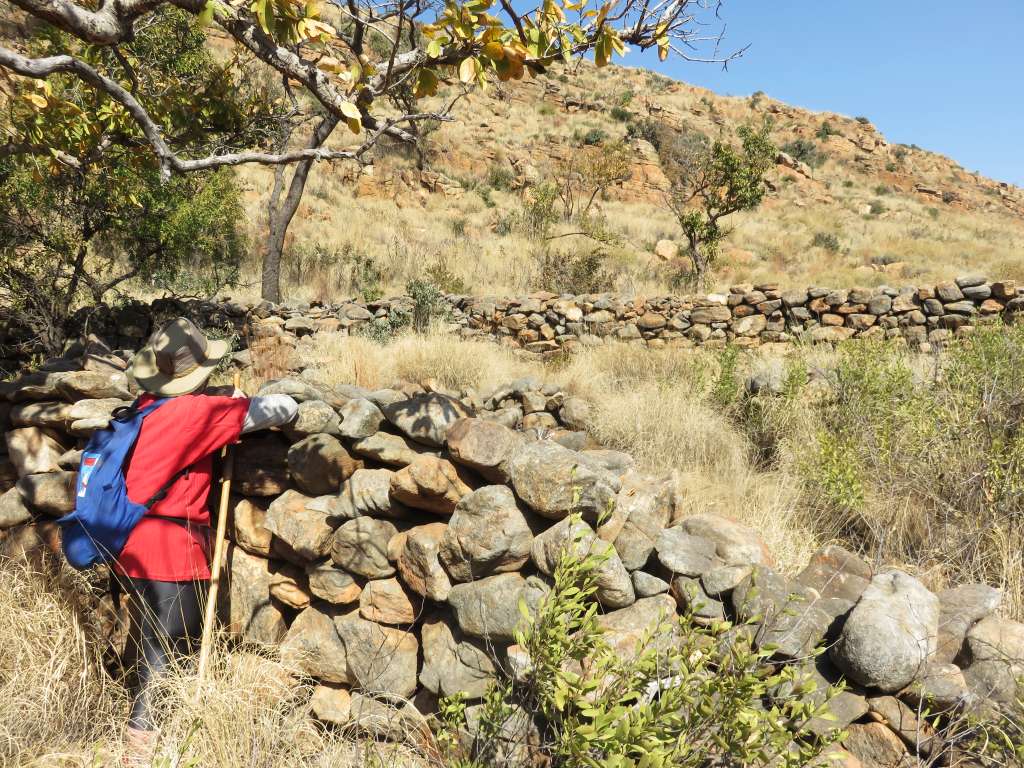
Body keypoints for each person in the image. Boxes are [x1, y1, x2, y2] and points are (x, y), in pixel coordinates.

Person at [118, 317, 297, 759]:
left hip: (131, 546)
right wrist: (233, 404)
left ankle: (147, 741)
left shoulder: (144, 407)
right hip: (171, 551)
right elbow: (284, 408)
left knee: (149, 646)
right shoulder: (195, 414)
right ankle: (140, 753)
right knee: (164, 652)